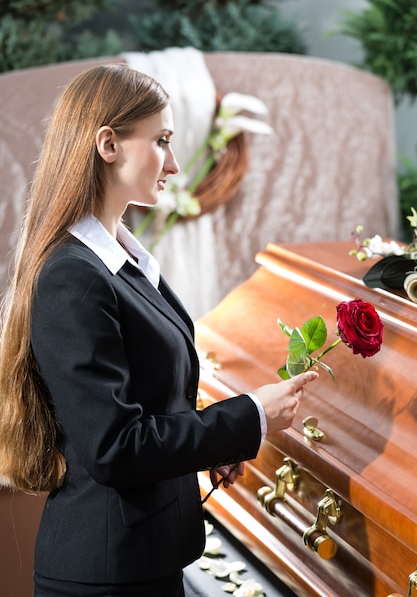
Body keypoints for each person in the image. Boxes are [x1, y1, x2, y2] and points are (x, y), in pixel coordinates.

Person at [0, 64, 318, 597]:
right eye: (162, 141)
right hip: (105, 578)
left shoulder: (122, 262)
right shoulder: (73, 278)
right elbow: (116, 448)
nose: (173, 163)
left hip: (147, 561)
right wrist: (252, 414)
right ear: (108, 145)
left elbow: (147, 408)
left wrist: (208, 448)